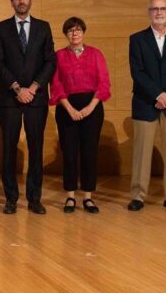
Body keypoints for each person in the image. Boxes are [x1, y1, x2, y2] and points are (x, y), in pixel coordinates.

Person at [0, 0, 55, 215]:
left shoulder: (43, 27)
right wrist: (17, 88)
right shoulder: (1, 28)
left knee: (36, 148)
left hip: (36, 98)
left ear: (31, 0)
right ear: (11, 2)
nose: (21, 1)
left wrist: (34, 87)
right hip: (10, 97)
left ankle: (34, 199)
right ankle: (11, 199)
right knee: (9, 149)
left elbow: (50, 62)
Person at [127, 0, 166, 212]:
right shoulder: (137, 39)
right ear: (149, 12)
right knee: (141, 152)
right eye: (154, 8)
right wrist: (157, 94)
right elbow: (137, 72)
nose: (159, 12)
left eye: (162, 8)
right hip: (146, 102)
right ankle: (138, 195)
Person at [49, 17, 110, 214]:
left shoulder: (96, 54)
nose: (74, 34)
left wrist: (90, 107)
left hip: (92, 107)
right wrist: (70, 109)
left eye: (77, 30)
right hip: (67, 107)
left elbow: (104, 83)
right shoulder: (58, 56)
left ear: (83, 32)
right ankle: (70, 196)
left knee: (89, 153)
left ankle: (88, 197)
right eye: (70, 31)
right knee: (69, 153)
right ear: (65, 34)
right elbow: (56, 85)